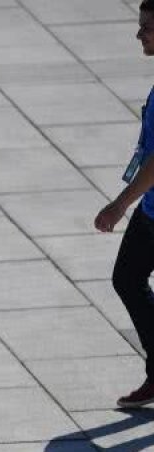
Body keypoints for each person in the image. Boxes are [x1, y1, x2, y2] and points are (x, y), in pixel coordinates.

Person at [95, 0, 154, 408]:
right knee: (127, 279)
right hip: (151, 208)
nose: (139, 35)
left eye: (147, 27)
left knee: (129, 279)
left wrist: (118, 206)